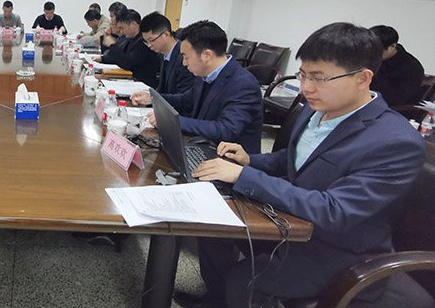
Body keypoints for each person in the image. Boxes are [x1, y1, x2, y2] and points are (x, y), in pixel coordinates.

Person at [187, 23, 425, 308]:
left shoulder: (396, 142)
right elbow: (295, 159)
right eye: (303, 75)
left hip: (336, 248)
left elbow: (335, 211)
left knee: (244, 279)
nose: (306, 88)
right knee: (213, 230)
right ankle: (216, 299)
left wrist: (245, 176)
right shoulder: (317, 108)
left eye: (319, 78)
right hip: (293, 219)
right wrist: (249, 160)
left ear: (363, 78)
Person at [149, 20, 263, 153]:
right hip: (202, 145)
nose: (184, 63)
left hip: (230, 158)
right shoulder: (204, 73)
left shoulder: (243, 84)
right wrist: (153, 98)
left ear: (207, 55)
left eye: (186, 57)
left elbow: (226, 129)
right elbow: (186, 100)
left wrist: (172, 121)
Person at [130, 12, 196, 106]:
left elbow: (184, 99)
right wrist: (149, 96)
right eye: (146, 42)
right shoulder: (163, 55)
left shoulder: (184, 58)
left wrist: (152, 98)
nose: (149, 45)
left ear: (166, 35)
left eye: (151, 40)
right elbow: (162, 90)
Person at [93, 9, 161, 87]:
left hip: (142, 84)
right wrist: (102, 59)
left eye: (122, 28)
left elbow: (126, 63)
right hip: (129, 79)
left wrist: (112, 45)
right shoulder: (130, 38)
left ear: (133, 24)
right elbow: (118, 57)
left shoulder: (143, 41)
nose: (121, 32)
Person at [368, 25, 425, 107]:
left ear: (393, 46)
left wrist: (373, 71)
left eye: (377, 50)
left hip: (388, 108)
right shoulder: (367, 57)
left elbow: (394, 99)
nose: (372, 53)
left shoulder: (411, 68)